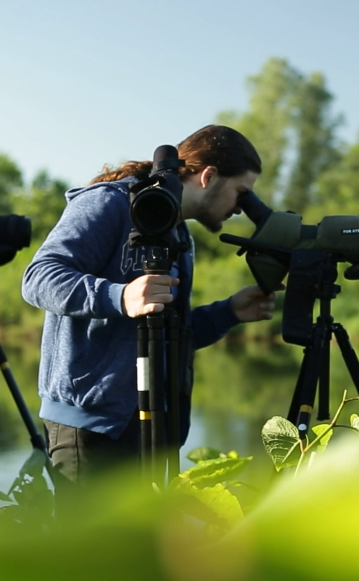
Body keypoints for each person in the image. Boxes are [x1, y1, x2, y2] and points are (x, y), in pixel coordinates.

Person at [21, 124, 276, 497]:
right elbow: (39, 278)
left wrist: (229, 312)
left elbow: (166, 332)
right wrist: (120, 296)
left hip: (151, 425)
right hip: (91, 425)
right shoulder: (109, 203)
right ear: (208, 176)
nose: (241, 208)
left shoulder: (178, 234)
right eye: (242, 192)